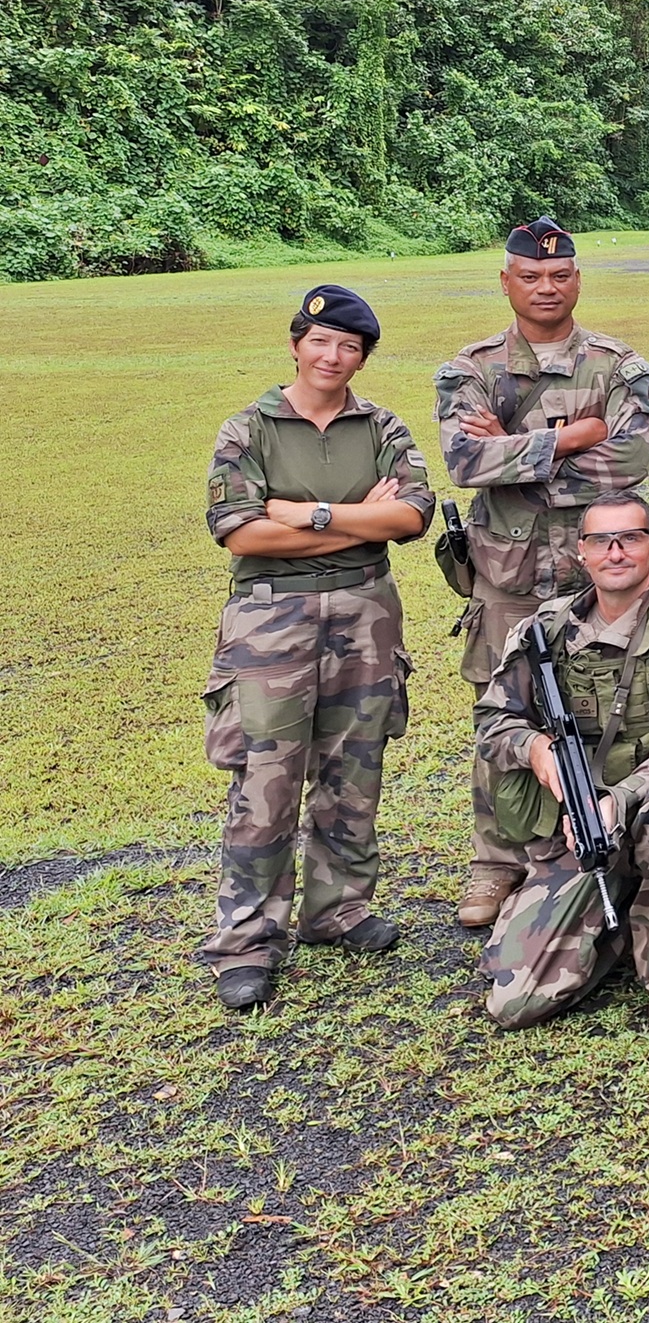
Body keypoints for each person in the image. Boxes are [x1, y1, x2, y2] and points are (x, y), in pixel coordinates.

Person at [200, 285, 433, 1011]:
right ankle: (246, 940)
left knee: (353, 768)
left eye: (350, 346)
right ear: (296, 342)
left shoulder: (381, 425)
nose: (333, 356)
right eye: (321, 340)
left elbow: (414, 514)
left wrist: (306, 513)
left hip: (366, 614)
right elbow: (242, 532)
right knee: (265, 783)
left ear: (362, 356)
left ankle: (339, 909)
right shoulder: (249, 429)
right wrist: (364, 516)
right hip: (271, 620)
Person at [436, 216, 649, 933]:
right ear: (506, 280)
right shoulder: (468, 370)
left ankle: (613, 846)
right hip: (506, 579)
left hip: (601, 579)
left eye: (559, 275)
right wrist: (574, 436)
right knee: (504, 714)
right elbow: (466, 464)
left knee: (616, 710)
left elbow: (628, 464)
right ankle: (495, 859)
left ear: (577, 280)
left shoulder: (618, 366)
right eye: (530, 275)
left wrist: (517, 450)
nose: (545, 286)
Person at [474, 492, 649, 1037]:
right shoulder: (543, 629)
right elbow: (494, 722)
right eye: (601, 541)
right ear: (581, 552)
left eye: (631, 538)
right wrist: (536, 749)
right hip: (571, 829)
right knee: (514, 1001)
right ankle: (625, 910)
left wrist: (620, 797)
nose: (616, 552)